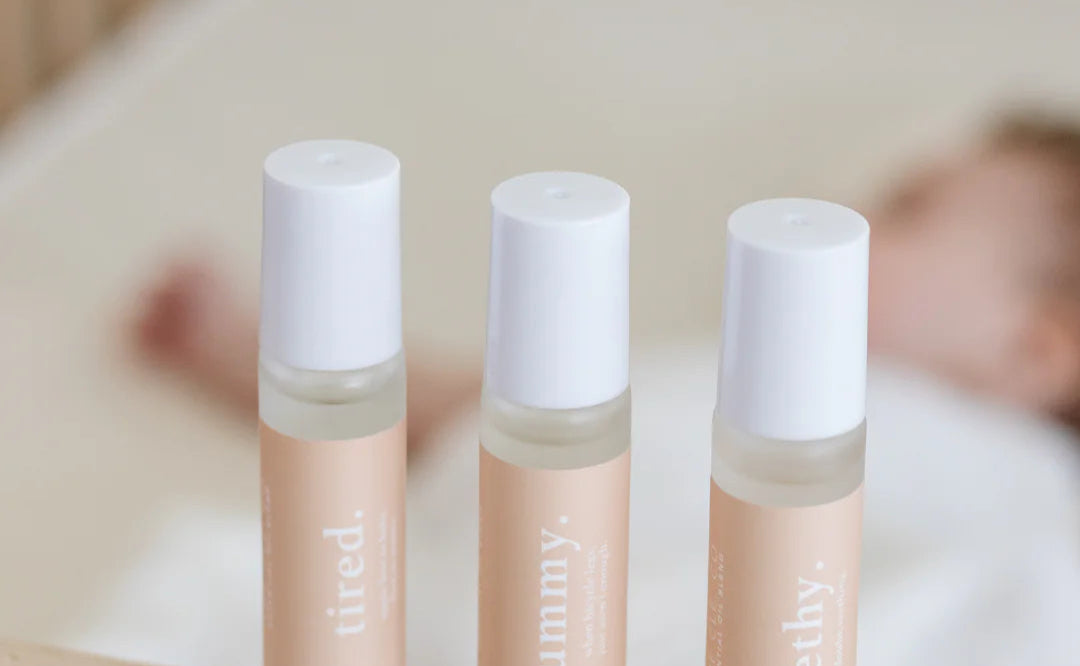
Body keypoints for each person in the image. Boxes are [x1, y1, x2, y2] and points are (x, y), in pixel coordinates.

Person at [131, 113, 1080, 438]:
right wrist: (263, 348)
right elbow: (478, 409)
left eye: (909, 209)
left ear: (1038, 346)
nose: (848, 212)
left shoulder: (1030, 515)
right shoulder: (710, 387)